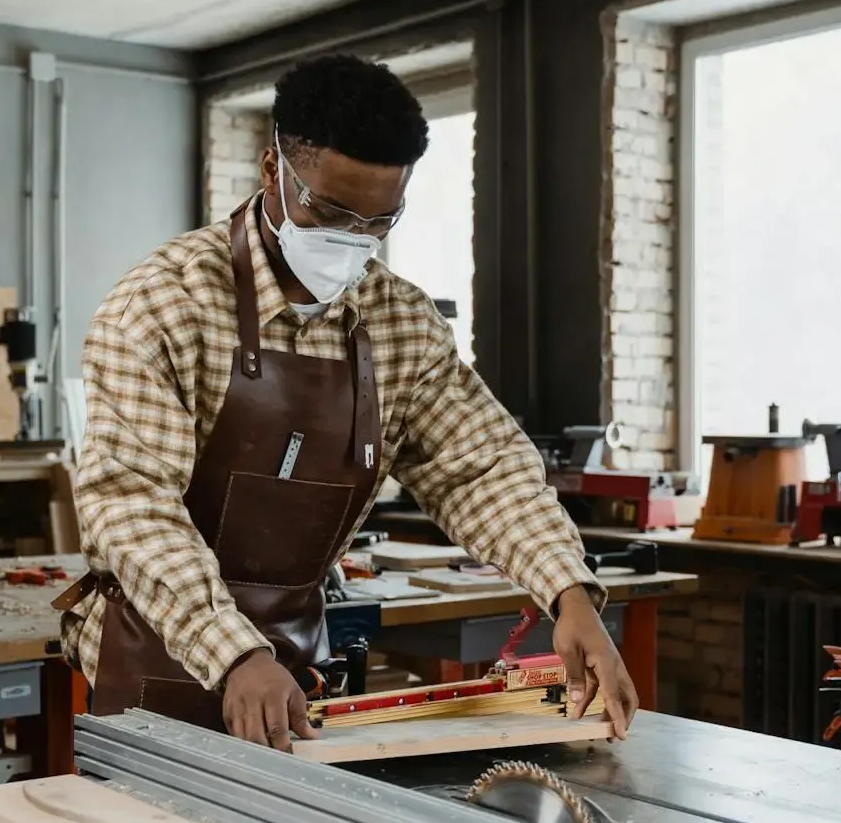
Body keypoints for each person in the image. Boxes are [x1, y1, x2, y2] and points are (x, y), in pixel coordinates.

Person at [62, 53, 638, 749]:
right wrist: (235, 654)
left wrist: (568, 593)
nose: (352, 242)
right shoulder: (164, 304)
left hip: (297, 666)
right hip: (158, 661)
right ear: (274, 168)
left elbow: (480, 468)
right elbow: (130, 507)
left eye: (378, 222)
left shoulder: (399, 323)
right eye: (331, 212)